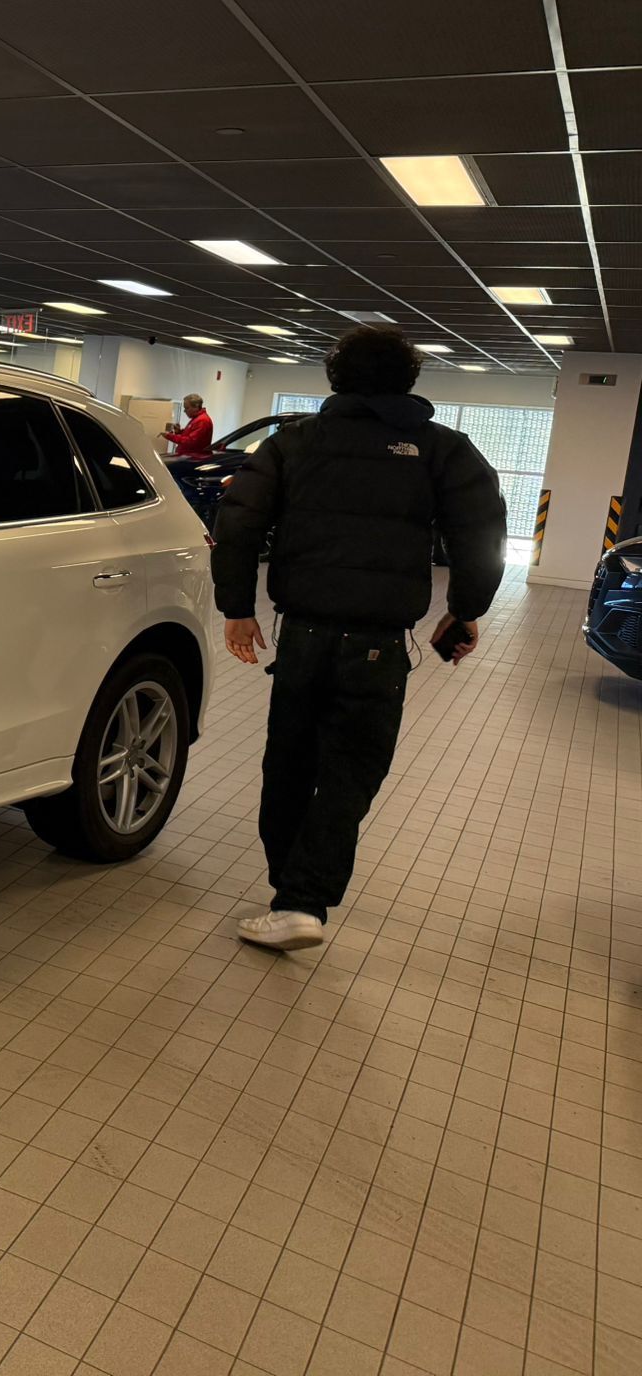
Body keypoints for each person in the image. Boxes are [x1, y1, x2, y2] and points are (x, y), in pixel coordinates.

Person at [212, 328, 506, 950]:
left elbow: (236, 524)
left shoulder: (292, 443)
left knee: (288, 762)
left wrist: (238, 609)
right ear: (410, 380)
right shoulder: (442, 449)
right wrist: (464, 610)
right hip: (379, 646)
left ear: (334, 378)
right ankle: (302, 899)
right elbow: (482, 533)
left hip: (304, 637)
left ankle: (289, 892)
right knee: (352, 771)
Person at [162, 393, 214, 458]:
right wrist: (179, 431)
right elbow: (191, 435)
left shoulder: (202, 420)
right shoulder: (196, 419)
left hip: (193, 460)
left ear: (196, 407)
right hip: (188, 457)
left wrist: (170, 436)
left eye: (187, 408)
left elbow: (190, 441)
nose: (184, 411)